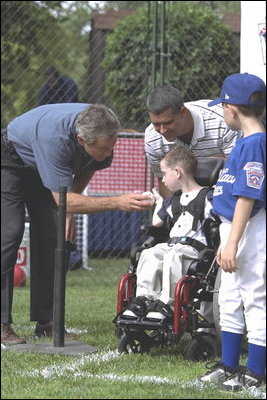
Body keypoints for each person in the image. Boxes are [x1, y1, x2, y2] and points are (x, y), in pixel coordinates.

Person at [1, 103, 154, 345]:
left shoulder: (102, 129)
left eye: (111, 146)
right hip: (10, 159)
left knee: (53, 236)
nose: (109, 153)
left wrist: (68, 211)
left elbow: (88, 166)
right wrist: (116, 201)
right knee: (9, 234)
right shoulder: (56, 140)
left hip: (42, 163)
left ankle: (47, 320)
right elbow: (63, 199)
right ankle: (1, 324)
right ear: (81, 140)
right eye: (104, 148)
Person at [199, 73, 266, 391]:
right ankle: (228, 365)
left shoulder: (255, 144)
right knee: (228, 297)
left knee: (253, 295)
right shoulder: (246, 141)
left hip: (249, 228)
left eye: (223, 105)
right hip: (234, 229)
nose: (223, 111)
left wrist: (233, 242)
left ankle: (254, 370)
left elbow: (248, 196)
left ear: (233, 109)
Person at [121, 146, 215, 327]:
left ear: (177, 172)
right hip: (171, 245)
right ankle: (143, 300)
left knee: (173, 256)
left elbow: (220, 221)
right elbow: (157, 222)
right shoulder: (173, 200)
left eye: (164, 174)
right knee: (150, 254)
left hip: (194, 250)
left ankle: (168, 303)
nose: (162, 180)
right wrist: (158, 202)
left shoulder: (208, 197)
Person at [145, 85, 242, 198]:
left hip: (225, 190)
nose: (162, 130)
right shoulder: (152, 138)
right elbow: (164, 181)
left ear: (183, 112)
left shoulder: (224, 122)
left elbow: (238, 169)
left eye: (168, 122)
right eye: (156, 124)